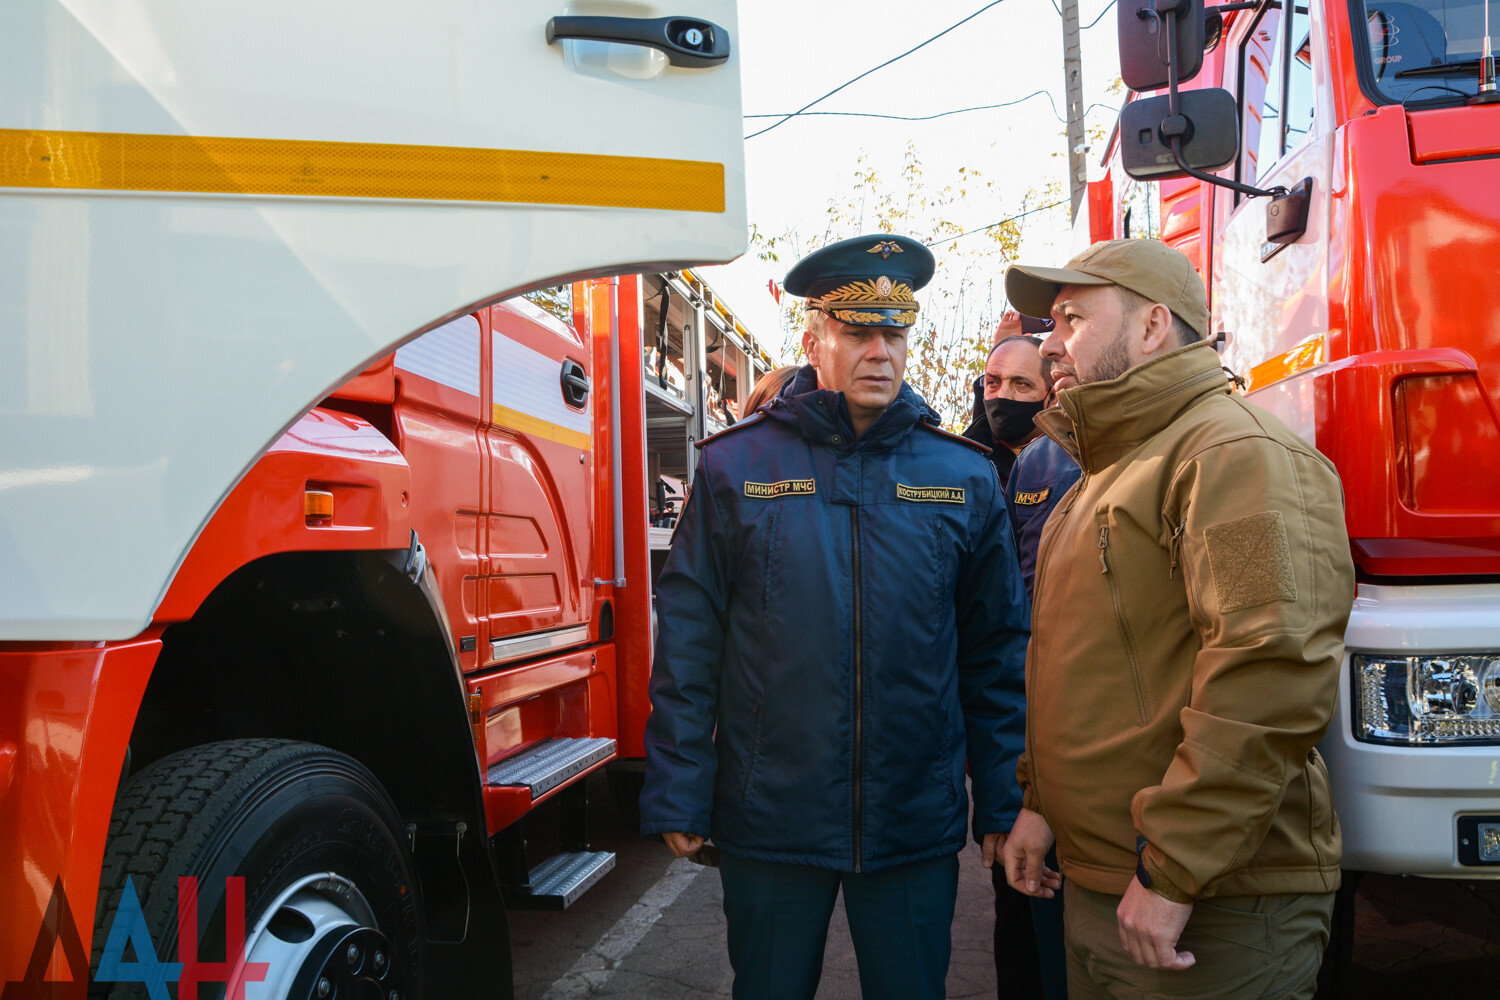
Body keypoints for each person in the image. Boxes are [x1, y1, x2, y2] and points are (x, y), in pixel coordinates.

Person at [640, 234, 1031, 1000]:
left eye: (895, 332)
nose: (880, 351)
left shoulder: (963, 477)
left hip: (911, 823)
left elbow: (996, 654)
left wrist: (1006, 795)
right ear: (815, 339)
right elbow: (689, 640)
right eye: (858, 332)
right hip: (772, 821)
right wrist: (680, 784)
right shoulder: (735, 468)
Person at [999, 238, 1354, 1000]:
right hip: (1107, 888)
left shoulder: (1234, 457)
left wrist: (1174, 867)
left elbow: (1269, 671)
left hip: (1209, 908)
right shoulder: (1102, 475)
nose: (1050, 343)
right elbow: (1076, 671)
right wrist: (1039, 805)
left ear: (1154, 326)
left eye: (1070, 318)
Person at [962, 313, 1054, 488]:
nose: (1003, 395)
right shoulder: (958, 463)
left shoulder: (1075, 463)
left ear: (1053, 396)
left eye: (1021, 384)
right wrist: (1003, 349)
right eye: (992, 383)